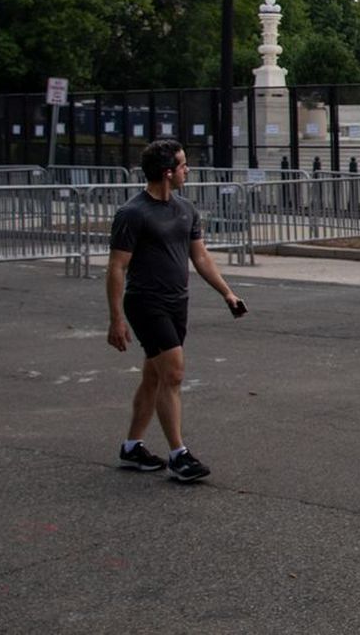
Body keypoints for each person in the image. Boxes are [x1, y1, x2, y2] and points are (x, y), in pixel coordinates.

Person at [106, 138, 245, 482]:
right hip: (145, 303)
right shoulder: (132, 213)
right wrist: (116, 319)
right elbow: (117, 268)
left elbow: (200, 257)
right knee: (174, 374)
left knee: (154, 376)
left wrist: (227, 293)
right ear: (168, 173)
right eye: (183, 165)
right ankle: (179, 455)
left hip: (177, 302)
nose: (188, 170)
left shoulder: (186, 209)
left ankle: (132, 448)